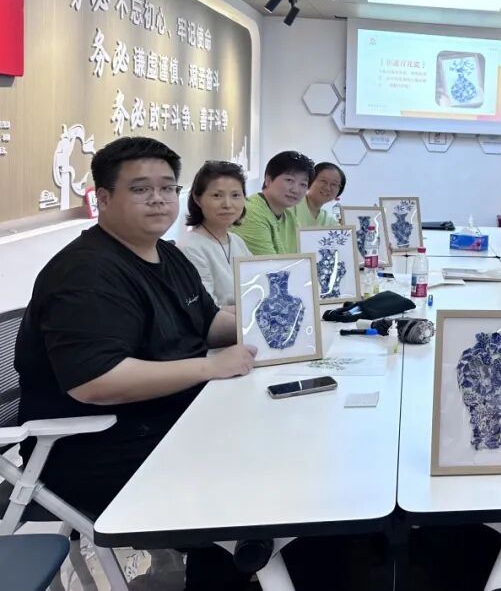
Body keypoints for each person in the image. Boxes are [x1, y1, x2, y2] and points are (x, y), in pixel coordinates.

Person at [14, 136, 258, 586]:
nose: (159, 199)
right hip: (100, 448)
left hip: (169, 421)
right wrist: (210, 367)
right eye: (141, 189)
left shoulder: (167, 254)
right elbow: (97, 382)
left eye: (167, 188)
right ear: (103, 199)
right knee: (256, 484)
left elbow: (206, 324)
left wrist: (278, 328)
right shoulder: (87, 273)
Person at [176, 160, 253, 307]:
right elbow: (206, 309)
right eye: (217, 195)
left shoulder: (236, 241)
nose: (227, 204)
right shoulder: (190, 248)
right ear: (197, 199)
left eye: (236, 195)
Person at [234, 150, 313, 254]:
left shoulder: (290, 217)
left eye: (303, 184)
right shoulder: (250, 212)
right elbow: (269, 262)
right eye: (289, 180)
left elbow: (304, 256)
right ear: (268, 180)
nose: (296, 190)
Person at [295, 161, 345, 227]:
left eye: (334, 184)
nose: (327, 188)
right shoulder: (290, 206)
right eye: (323, 181)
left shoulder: (330, 222)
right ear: (310, 180)